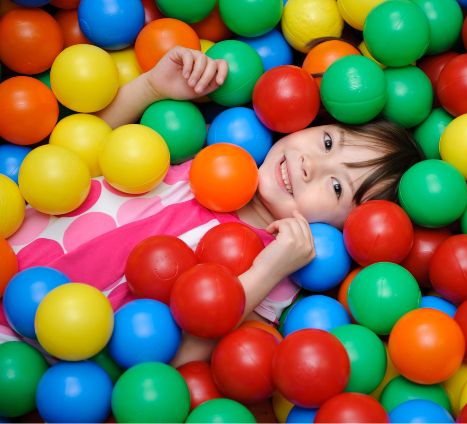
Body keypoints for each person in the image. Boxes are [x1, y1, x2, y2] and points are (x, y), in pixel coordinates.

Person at [0, 47, 424, 365]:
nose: (310, 165)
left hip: (32, 349)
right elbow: (86, 154)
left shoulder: (276, 272)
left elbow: (185, 357)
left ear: (348, 229)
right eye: (327, 142)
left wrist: (269, 269)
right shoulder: (204, 157)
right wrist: (149, 87)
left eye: (337, 187)